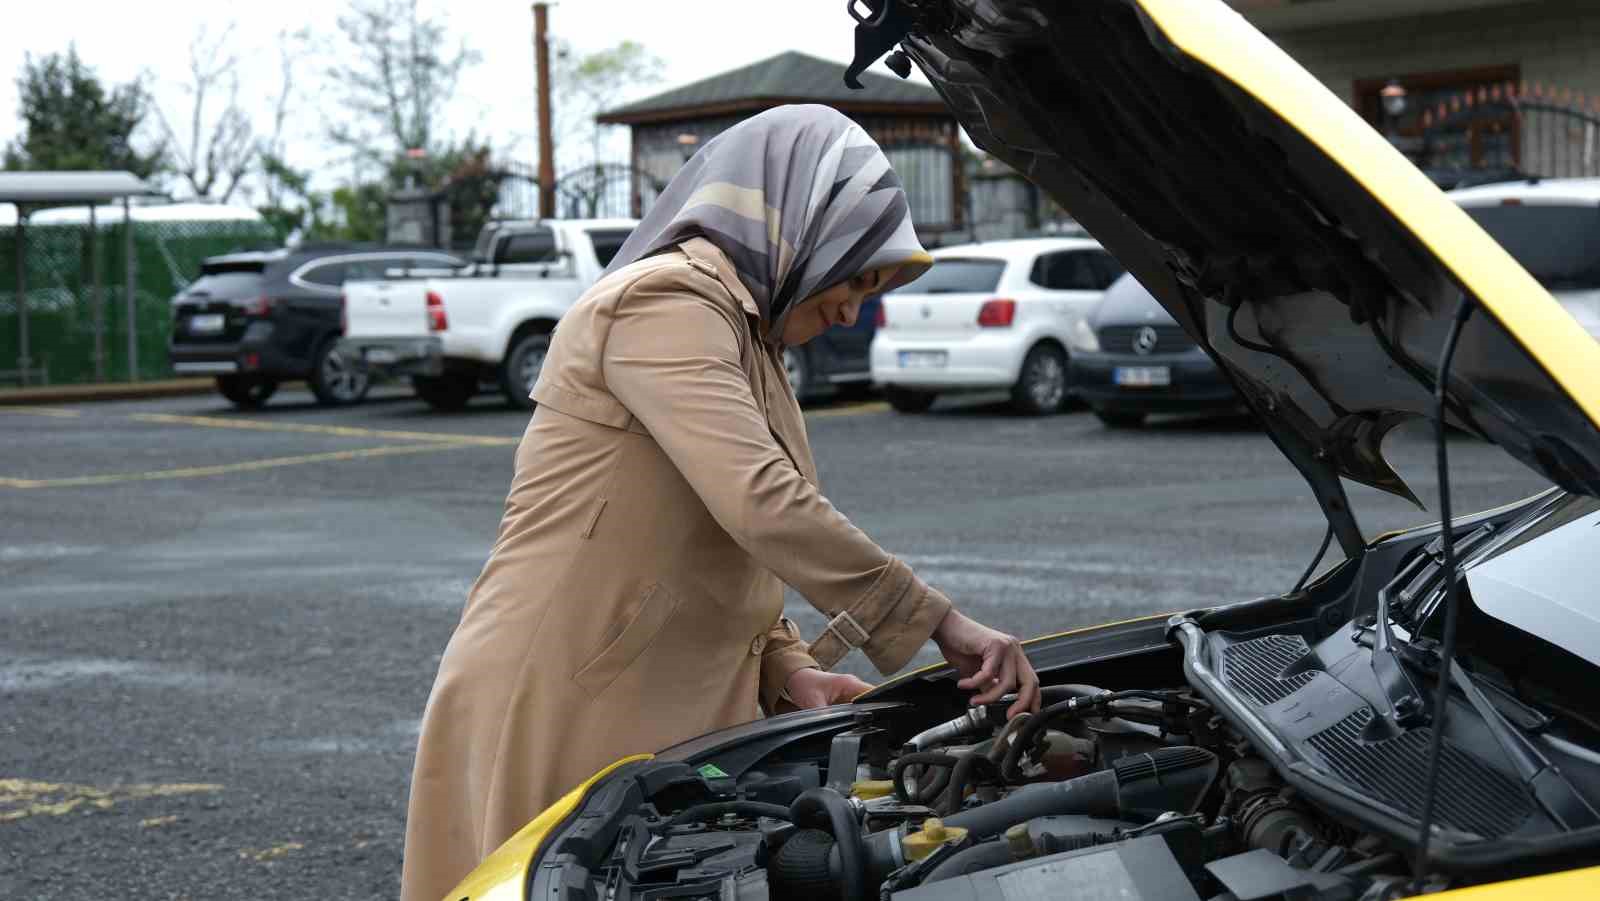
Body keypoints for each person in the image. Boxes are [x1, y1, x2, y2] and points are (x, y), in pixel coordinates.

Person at [400, 104, 1041, 901]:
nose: (851, 310)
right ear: (803, 228)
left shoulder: (751, 334)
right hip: (563, 687)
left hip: (657, 696)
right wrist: (940, 620)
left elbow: (731, 540)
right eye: (855, 276)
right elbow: (760, 501)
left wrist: (792, 668)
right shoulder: (664, 304)